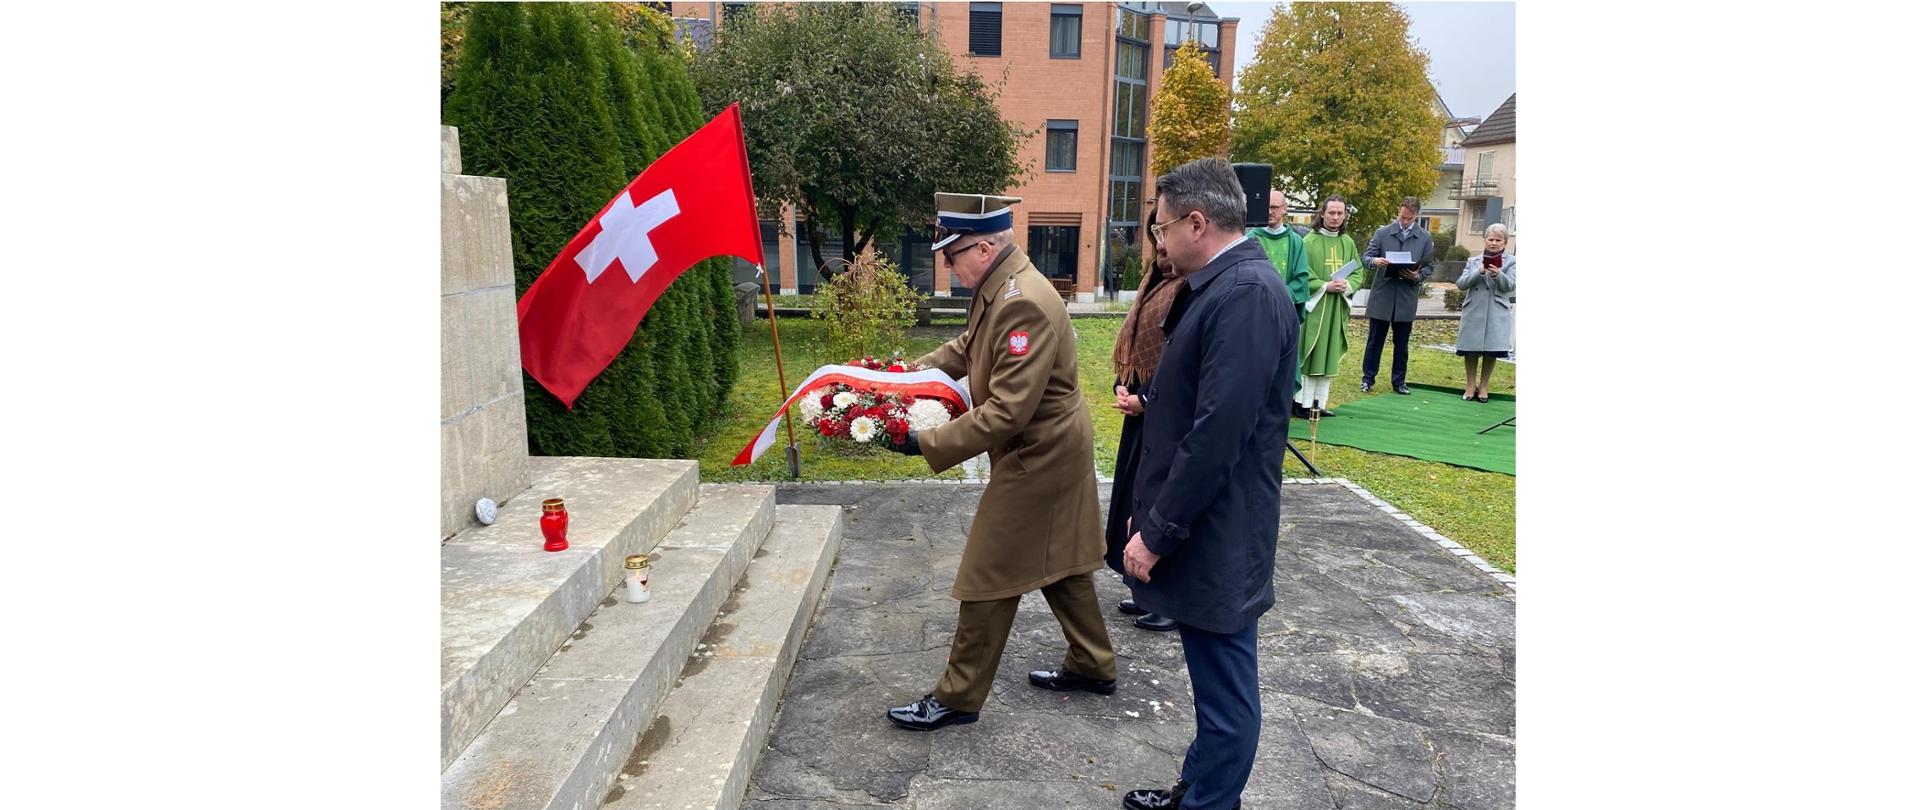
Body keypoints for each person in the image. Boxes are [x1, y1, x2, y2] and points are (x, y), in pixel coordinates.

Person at [882, 192, 1118, 732]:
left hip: (1040, 453)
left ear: (984, 248)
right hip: (1048, 446)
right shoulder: (1002, 286)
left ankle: (959, 697)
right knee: (1062, 559)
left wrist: (926, 442)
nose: (947, 265)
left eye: (952, 255)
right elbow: (966, 348)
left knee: (988, 571)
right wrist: (897, 378)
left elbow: (1008, 412)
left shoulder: (1022, 302)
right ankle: (1093, 663)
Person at [1118, 159, 1298, 810]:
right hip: (1207, 523)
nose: (1157, 242)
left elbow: (1219, 433)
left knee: (1225, 692)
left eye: (1161, 227)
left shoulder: (1245, 293)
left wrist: (1158, 532)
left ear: (1197, 222)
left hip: (1221, 529)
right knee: (1211, 682)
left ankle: (1208, 804)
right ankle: (1196, 789)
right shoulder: (1221, 285)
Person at [1106, 205, 1180, 633]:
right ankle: (1142, 587)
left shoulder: (1189, 285)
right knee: (1134, 496)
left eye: (1163, 231)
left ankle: (1166, 596)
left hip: (1165, 413)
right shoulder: (1153, 278)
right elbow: (1136, 342)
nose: (1159, 242)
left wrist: (1148, 399)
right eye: (1155, 232)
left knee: (1158, 497)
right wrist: (1123, 384)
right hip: (1139, 411)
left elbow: (1177, 357)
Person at [1360, 197, 1436, 395]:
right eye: (1402, 217)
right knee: (1375, 341)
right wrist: (1375, 261)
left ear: (1416, 216)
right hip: (1383, 295)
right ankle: (1367, 379)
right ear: (1398, 212)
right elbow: (1366, 257)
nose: (1404, 222)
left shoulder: (1425, 237)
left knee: (1401, 344)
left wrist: (1417, 275)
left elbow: (1430, 265)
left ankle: (1399, 381)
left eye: (1409, 219)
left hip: (1406, 296)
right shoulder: (1382, 233)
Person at [1297, 196, 1362, 417]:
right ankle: (1301, 404)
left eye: (1339, 213)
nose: (1335, 218)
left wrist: (1346, 285)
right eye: (1331, 213)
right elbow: (1302, 272)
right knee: (1309, 352)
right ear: (1322, 213)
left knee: (1328, 354)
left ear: (1345, 216)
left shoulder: (1348, 243)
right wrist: (1325, 285)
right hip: (1315, 307)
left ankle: (1319, 403)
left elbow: (1358, 271)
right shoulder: (1308, 242)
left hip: (1336, 308)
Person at [1455, 222, 1516, 402]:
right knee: (1470, 350)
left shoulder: (1512, 262)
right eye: (1491, 239)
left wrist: (1498, 275)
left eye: (1498, 240)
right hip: (1474, 310)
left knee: (1491, 350)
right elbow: (1461, 283)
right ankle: (1470, 385)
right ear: (1485, 240)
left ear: (1505, 242)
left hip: (1497, 311)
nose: (1494, 243)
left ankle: (1483, 386)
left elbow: (1512, 286)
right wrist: (1479, 271)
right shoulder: (1473, 261)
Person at [1247, 189, 1311, 318]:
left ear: (1284, 209)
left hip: (1284, 306)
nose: (1270, 211)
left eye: (1274, 207)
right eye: (1266, 207)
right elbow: (1245, 273)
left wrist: (1282, 293)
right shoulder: (1251, 238)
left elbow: (1301, 277)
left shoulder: (1295, 241)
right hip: (1256, 306)